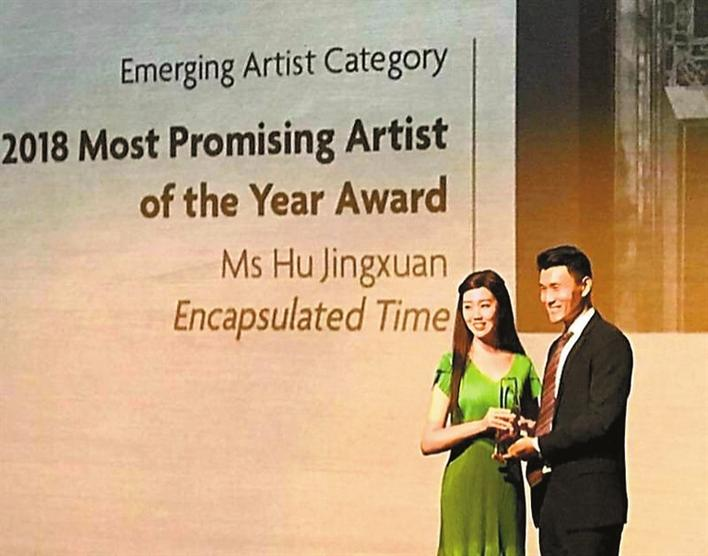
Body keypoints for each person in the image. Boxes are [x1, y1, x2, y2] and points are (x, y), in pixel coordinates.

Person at [506, 245, 633, 556]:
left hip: (590, 507)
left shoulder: (609, 343)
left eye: (556, 287)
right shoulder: (558, 347)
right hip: (552, 503)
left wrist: (538, 445)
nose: (547, 298)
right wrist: (534, 427)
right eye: (542, 288)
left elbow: (601, 421)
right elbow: (566, 417)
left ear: (584, 285)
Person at [421, 270, 540, 556]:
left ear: (501, 307)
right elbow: (429, 440)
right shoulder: (453, 364)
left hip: (505, 483)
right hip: (463, 483)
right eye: (468, 307)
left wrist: (521, 428)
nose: (476, 315)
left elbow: (539, 429)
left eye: (484, 305)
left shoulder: (522, 365)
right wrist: (482, 424)